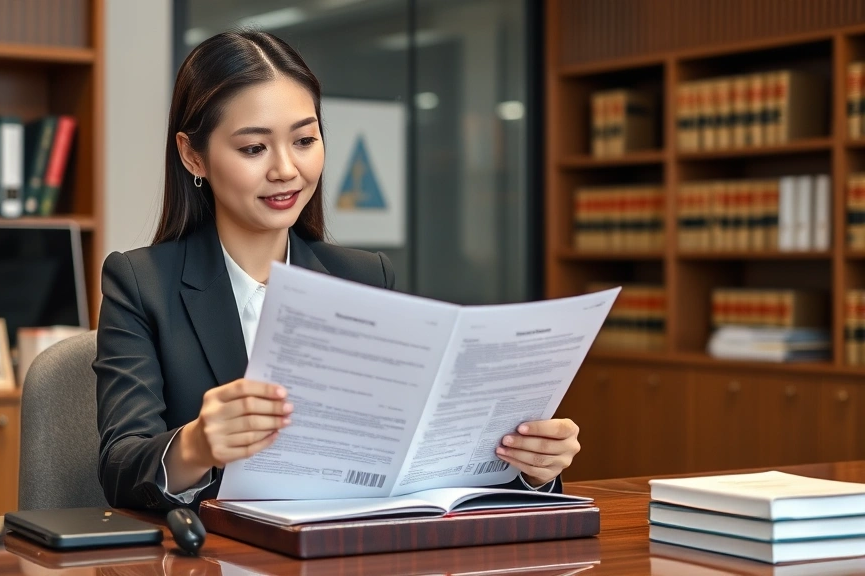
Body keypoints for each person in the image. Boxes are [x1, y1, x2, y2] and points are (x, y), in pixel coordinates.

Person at [93, 30, 581, 511]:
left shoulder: (366, 277)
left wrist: (530, 468)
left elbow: (412, 457)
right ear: (192, 154)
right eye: (253, 148)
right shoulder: (141, 284)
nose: (286, 169)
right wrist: (196, 444)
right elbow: (121, 466)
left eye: (304, 140)